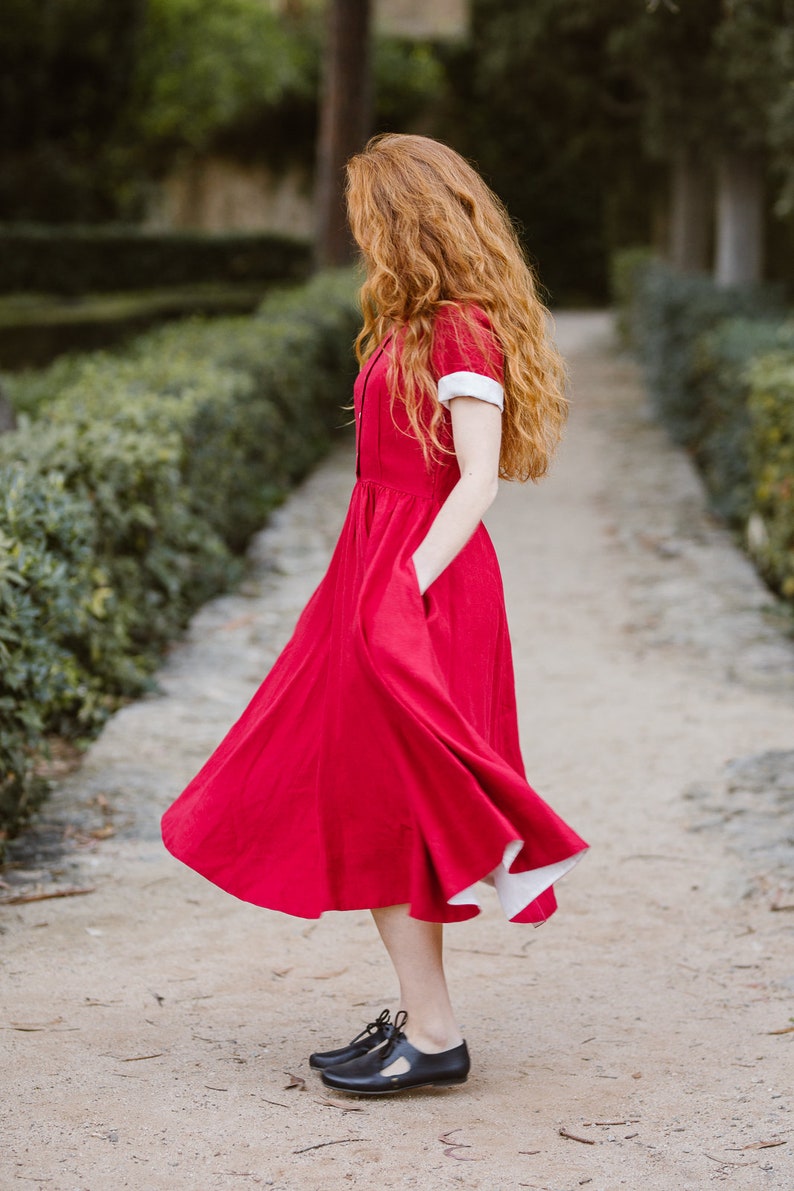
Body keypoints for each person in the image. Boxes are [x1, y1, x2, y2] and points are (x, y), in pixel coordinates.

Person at [161, 133, 588, 1096]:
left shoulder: (459, 329)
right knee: (371, 795)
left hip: (421, 587)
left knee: (394, 802)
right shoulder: (412, 322)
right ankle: (422, 1014)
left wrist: (402, 584)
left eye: (367, 216)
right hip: (380, 572)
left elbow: (476, 480)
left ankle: (435, 1032)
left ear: (403, 222)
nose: (359, 233)